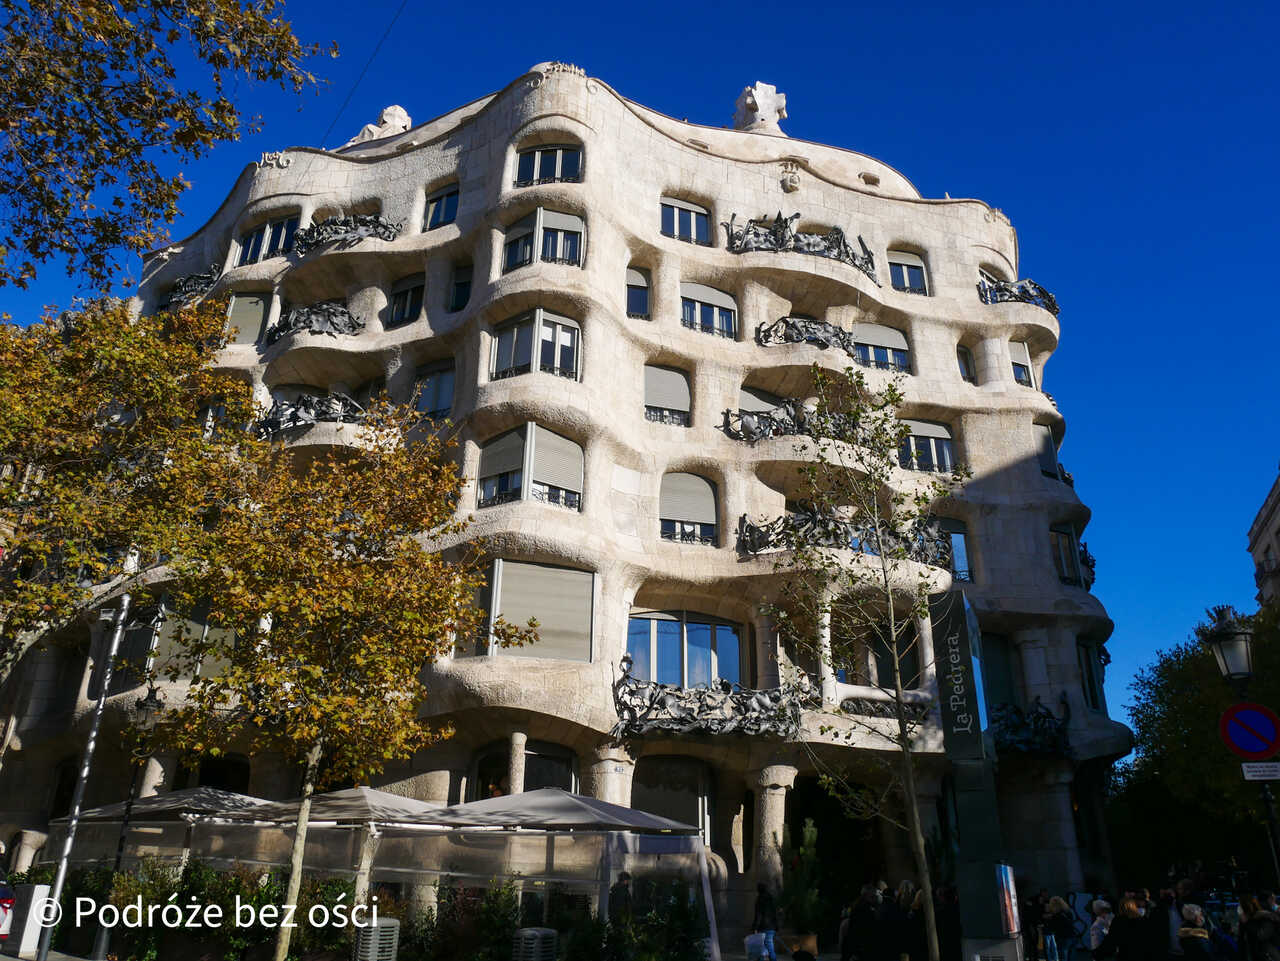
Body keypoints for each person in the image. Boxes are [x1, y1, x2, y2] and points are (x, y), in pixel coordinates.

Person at [1097, 897, 1154, 961]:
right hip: (1142, 956)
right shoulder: (1143, 920)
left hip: (1125, 955)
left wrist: (1098, 953)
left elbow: (1111, 940)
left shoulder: (1119, 920)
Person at [1241, 895, 1280, 961]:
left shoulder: (1266, 912)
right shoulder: (1265, 914)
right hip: (1264, 947)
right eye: (1272, 899)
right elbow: (1262, 935)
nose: (1274, 901)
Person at [753, 882, 780, 961]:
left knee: (761, 947)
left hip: (763, 927)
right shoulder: (771, 899)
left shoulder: (760, 899)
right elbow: (774, 913)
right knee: (769, 947)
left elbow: (758, 915)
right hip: (771, 927)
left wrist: (755, 927)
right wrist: (776, 926)